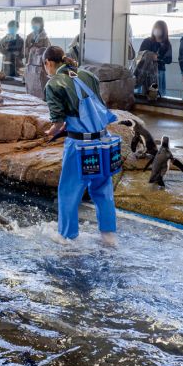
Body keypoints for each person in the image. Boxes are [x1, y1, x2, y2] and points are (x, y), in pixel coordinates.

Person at [44, 46, 119, 247]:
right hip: (103, 142)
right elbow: (95, 108)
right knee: (102, 190)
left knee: (69, 191)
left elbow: (58, 123)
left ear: (48, 63)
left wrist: (50, 132)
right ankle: (109, 236)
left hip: (80, 146)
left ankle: (67, 238)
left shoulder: (54, 84)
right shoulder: (88, 75)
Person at [138, 20, 172, 95]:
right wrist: (149, 56)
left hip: (159, 73)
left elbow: (169, 60)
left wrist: (158, 58)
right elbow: (140, 55)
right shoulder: (146, 41)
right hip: (147, 72)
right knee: (146, 94)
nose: (157, 30)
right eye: (155, 28)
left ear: (164, 31)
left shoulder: (167, 44)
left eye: (159, 28)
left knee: (156, 94)